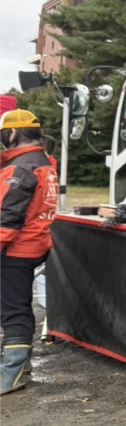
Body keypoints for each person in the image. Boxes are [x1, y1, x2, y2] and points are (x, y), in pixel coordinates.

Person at [0, 109, 59, 395]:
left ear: (12, 133)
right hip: (33, 244)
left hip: (15, 249)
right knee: (17, 306)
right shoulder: (42, 161)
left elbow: (8, 219)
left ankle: (11, 375)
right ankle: (19, 368)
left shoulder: (21, 168)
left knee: (14, 311)